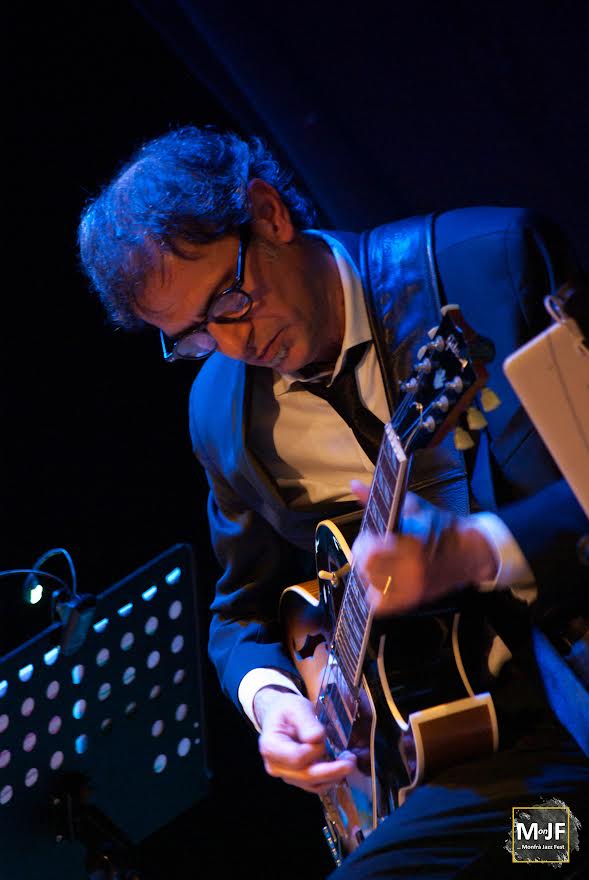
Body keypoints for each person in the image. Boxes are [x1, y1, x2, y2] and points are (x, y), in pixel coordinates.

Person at [78, 126, 588, 877]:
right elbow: (240, 613)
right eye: (192, 335)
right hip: (481, 764)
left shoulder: (486, 264)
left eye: (228, 299)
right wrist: (272, 700)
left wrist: (481, 551)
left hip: (576, 693)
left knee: (543, 858)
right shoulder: (222, 413)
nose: (232, 344)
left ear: (268, 214)